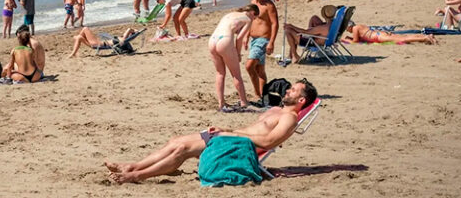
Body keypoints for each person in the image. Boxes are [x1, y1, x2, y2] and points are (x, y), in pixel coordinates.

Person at [104, 79, 317, 184]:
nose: (287, 90)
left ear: (301, 100)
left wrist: (231, 132)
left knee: (183, 149)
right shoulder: (276, 109)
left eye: (293, 90)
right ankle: (134, 165)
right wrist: (228, 130)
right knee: (175, 141)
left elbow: (269, 142)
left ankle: (137, 175)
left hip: (239, 145)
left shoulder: (289, 118)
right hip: (230, 136)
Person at [208, 5, 259, 112]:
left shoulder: (230, 14)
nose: (253, 20)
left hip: (212, 40)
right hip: (225, 41)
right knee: (236, 75)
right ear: (253, 13)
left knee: (220, 73)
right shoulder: (248, 19)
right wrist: (238, 53)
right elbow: (239, 38)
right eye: (255, 18)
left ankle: (221, 103)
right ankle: (244, 101)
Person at [245, 0, 278, 99]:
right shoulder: (252, 4)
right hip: (253, 40)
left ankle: (257, 94)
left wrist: (271, 42)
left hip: (263, 40)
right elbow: (250, 22)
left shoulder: (269, 5)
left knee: (249, 66)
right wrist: (246, 37)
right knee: (260, 70)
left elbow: (275, 23)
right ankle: (263, 95)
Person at [68, 26, 137, 58]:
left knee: (84, 30)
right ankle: (73, 52)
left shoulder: (122, 40)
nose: (124, 34)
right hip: (98, 43)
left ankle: (73, 52)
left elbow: (128, 29)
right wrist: (133, 32)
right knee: (81, 35)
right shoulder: (122, 40)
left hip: (97, 44)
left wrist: (133, 30)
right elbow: (127, 33)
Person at [343, 22, 437, 45]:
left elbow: (355, 41)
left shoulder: (355, 28)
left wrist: (345, 39)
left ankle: (425, 38)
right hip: (380, 33)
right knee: (403, 36)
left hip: (378, 37)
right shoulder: (359, 25)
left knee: (402, 39)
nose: (348, 31)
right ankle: (425, 36)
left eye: (347, 29)